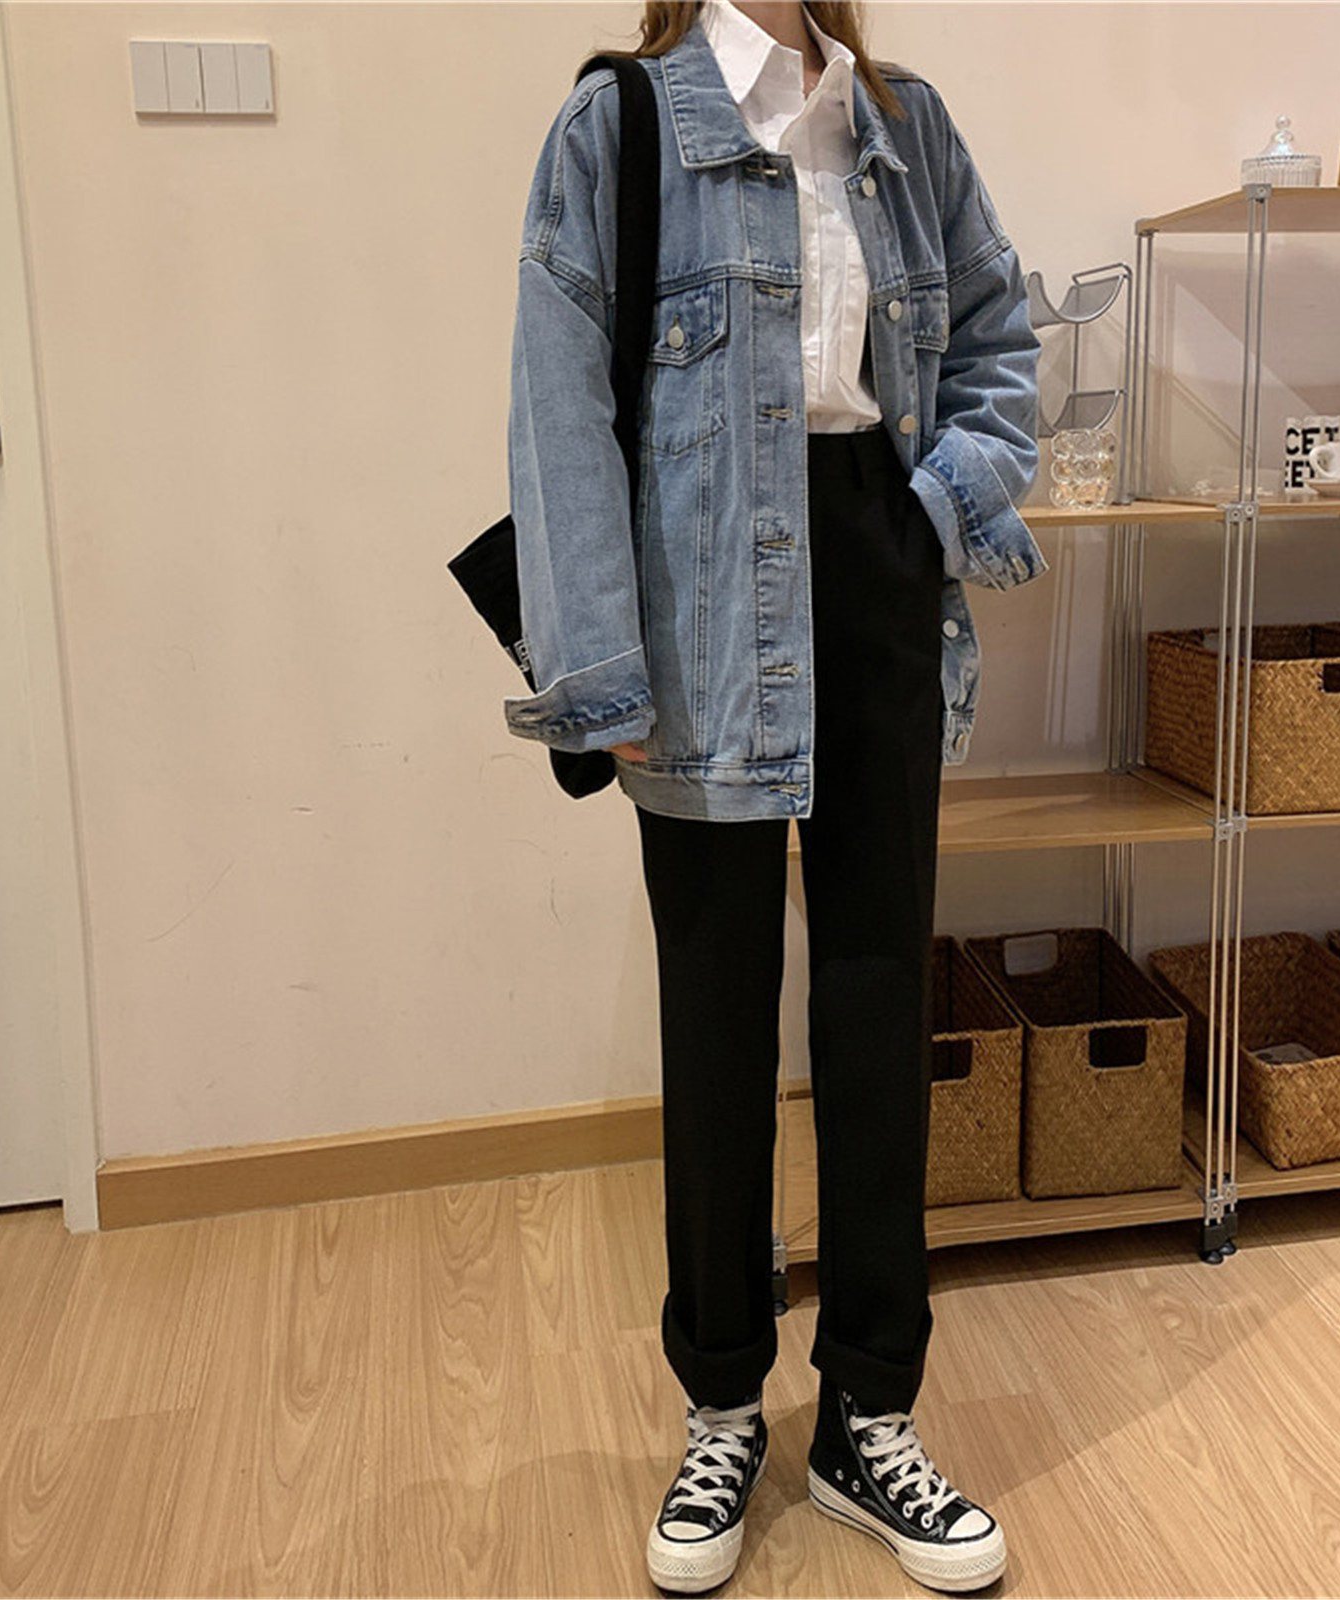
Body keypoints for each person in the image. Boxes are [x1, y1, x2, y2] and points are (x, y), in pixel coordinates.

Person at [502, 2, 1045, 1591]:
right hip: (699, 619)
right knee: (720, 1028)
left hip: (876, 571)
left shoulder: (905, 125)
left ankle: (869, 1414)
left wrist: (931, 510)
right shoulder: (621, 126)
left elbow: (1002, 339)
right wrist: (599, 672)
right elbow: (561, 414)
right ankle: (724, 1405)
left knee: (878, 1011)